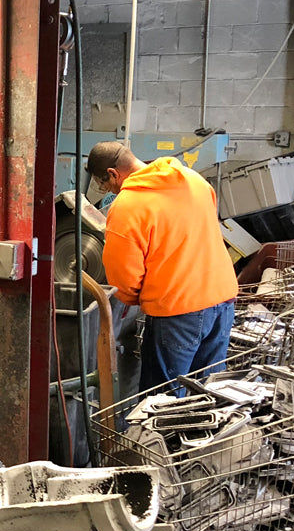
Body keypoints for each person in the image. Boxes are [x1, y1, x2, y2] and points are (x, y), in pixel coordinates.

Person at [86, 141, 238, 392]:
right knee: (208, 396)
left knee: (162, 404)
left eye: (105, 183)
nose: (108, 189)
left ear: (114, 173)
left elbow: (123, 278)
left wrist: (137, 300)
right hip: (222, 300)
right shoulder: (194, 180)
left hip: (178, 311)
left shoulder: (127, 206)